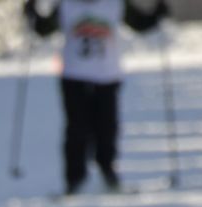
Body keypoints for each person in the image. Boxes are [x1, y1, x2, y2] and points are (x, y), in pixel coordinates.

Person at [23, 0, 172, 195]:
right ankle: (75, 179)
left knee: (107, 127)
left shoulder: (116, 4)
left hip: (107, 77)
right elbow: (44, 28)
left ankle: (108, 172)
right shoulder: (67, 5)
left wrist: (156, 14)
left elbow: (140, 24)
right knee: (77, 129)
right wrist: (32, 12)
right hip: (74, 77)